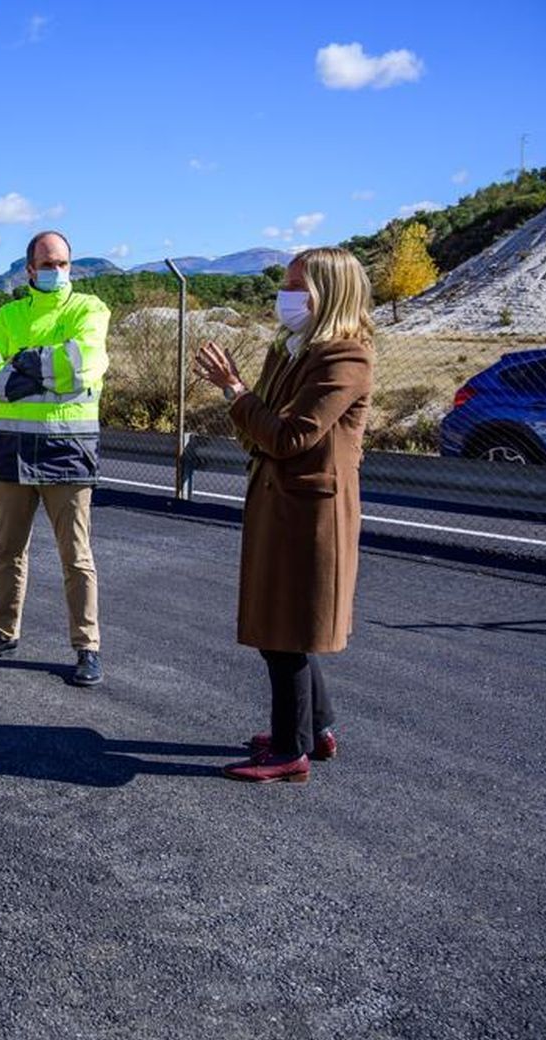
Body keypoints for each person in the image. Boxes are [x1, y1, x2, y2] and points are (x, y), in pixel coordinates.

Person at [194, 246, 375, 784]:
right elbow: (260, 428)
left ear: (329, 293)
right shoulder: (290, 348)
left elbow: (290, 437)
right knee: (287, 622)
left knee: (284, 632)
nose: (286, 295)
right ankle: (315, 730)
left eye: (298, 286)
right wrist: (245, 404)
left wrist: (235, 391)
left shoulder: (345, 358)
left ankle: (289, 751)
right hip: (277, 500)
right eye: (286, 283)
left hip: (310, 513)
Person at [0, 230, 112, 687]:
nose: (55, 271)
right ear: (29, 269)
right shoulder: (7, 316)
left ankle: (87, 647)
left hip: (69, 451)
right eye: (47, 264)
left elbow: (82, 364)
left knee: (76, 557)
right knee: (9, 553)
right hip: (13, 452)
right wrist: (47, 370)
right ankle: (3, 633)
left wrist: (21, 363)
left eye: (62, 263)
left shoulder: (89, 309)